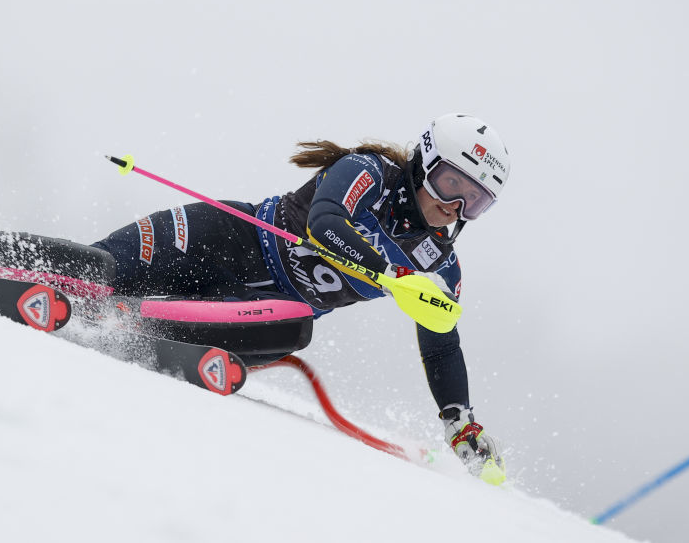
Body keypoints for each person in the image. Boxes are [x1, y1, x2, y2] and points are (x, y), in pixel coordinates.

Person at [91, 113, 510, 479]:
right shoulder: (370, 172)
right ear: (424, 163)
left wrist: (460, 423)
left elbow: (441, 344)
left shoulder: (439, 265)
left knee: (297, 326)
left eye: (475, 202)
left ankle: (133, 322)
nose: (455, 205)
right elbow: (324, 223)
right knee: (104, 266)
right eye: (450, 183)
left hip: (265, 314)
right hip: (225, 239)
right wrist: (390, 275)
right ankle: (57, 275)